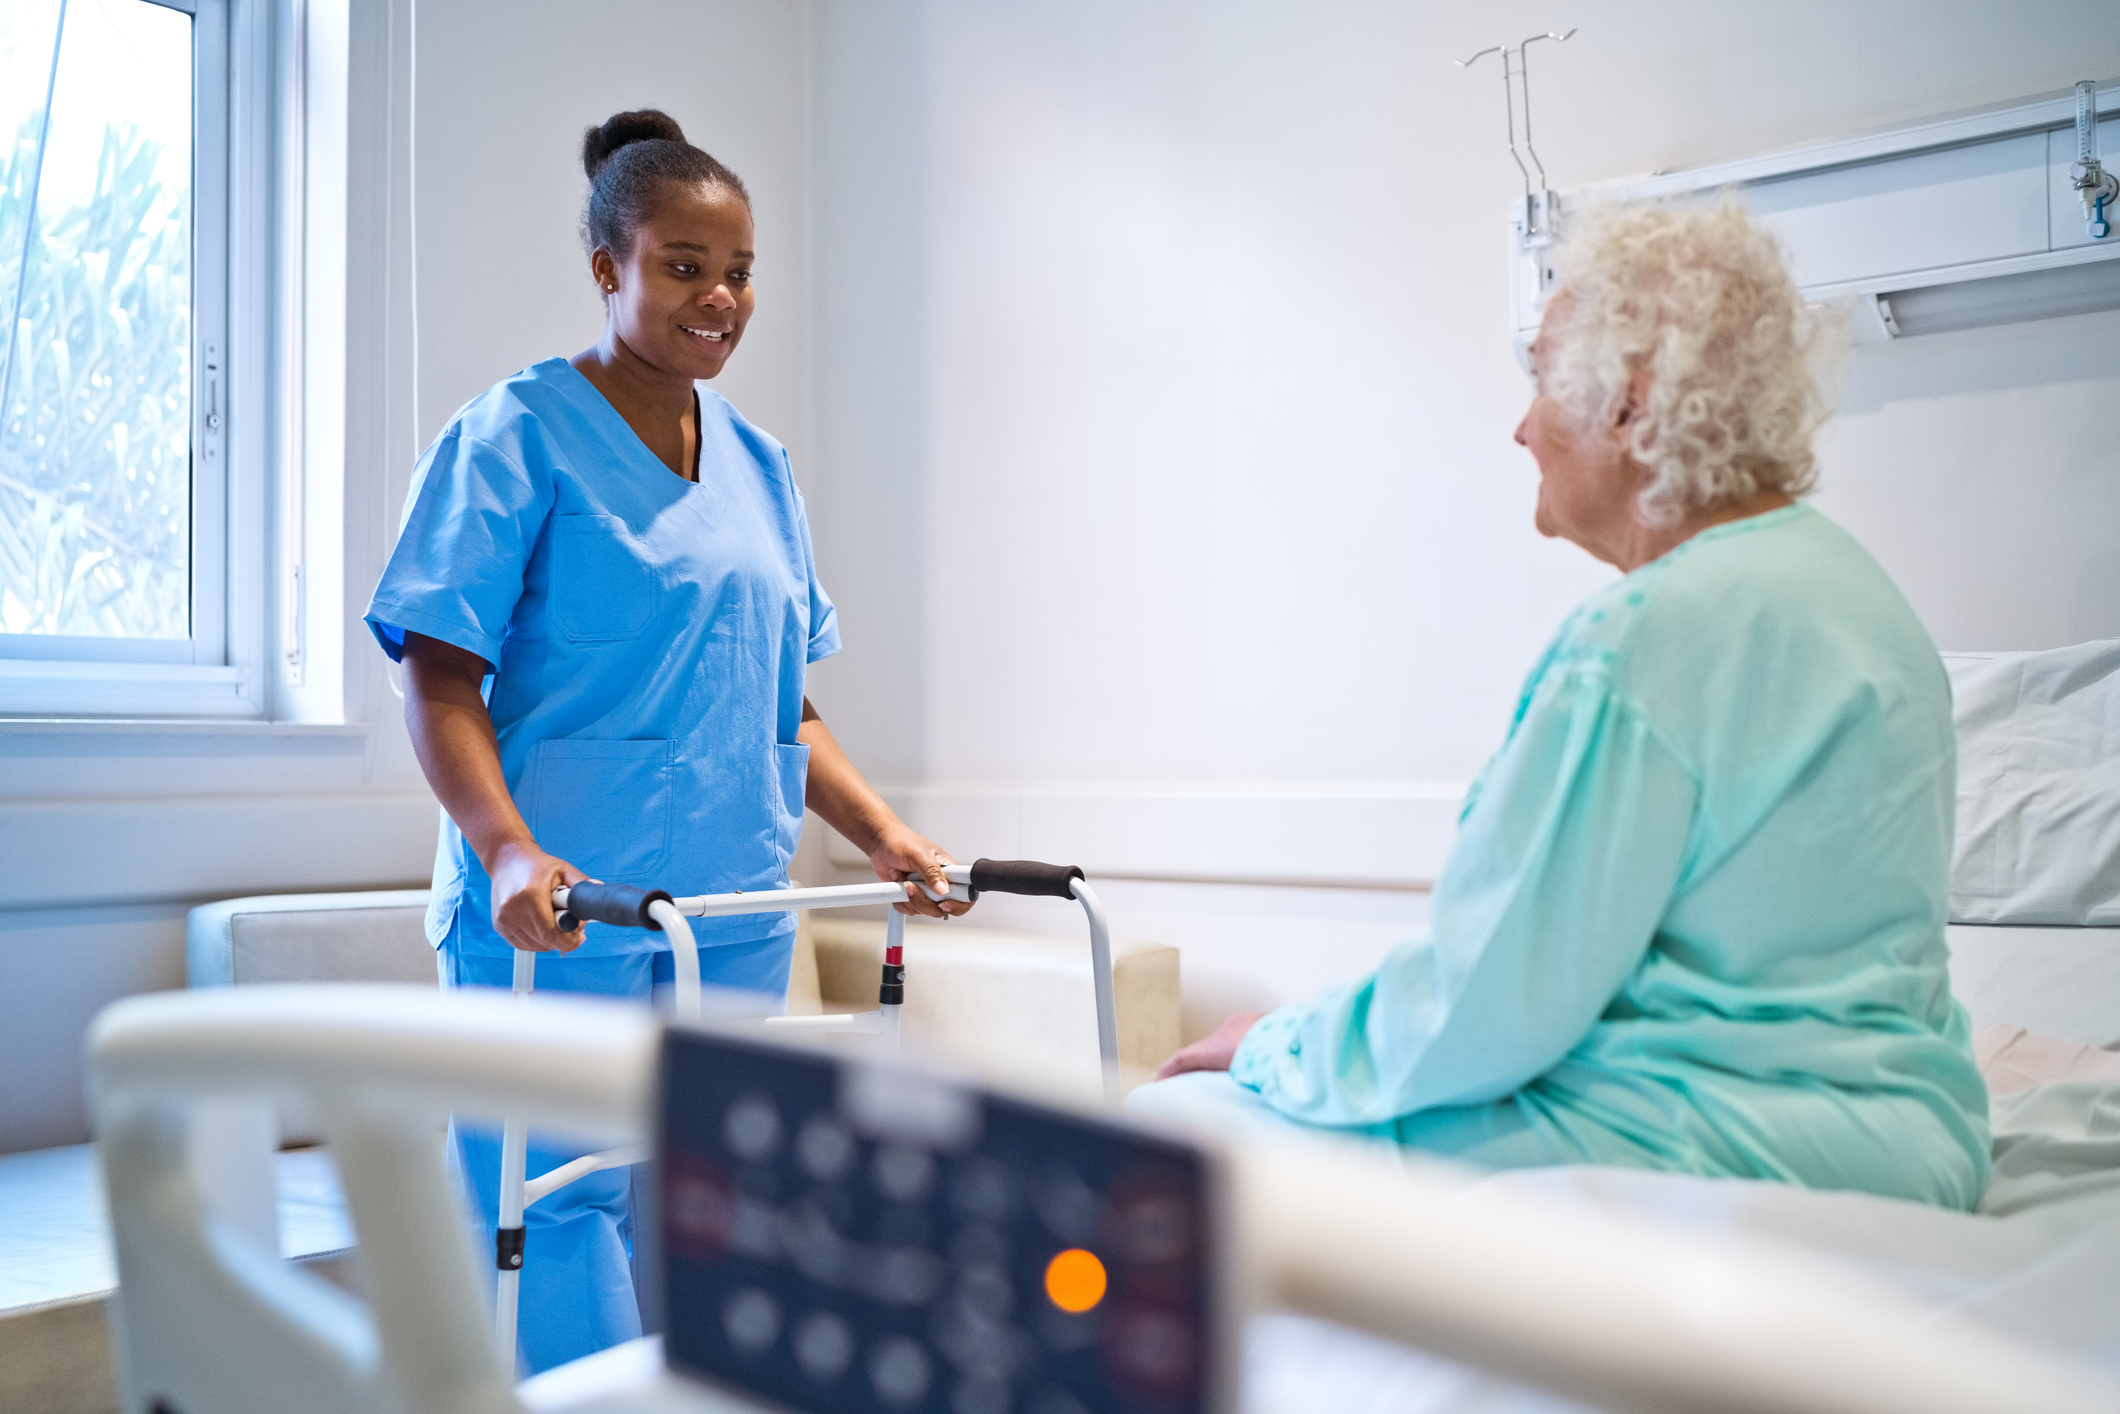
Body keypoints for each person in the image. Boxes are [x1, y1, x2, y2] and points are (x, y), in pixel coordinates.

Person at [1132, 201, 1991, 1211]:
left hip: (1729, 1133)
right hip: (1915, 1143)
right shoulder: (1860, 597)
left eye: (1537, 377)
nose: (1519, 425)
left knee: (1168, 1135)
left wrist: (1269, 1042)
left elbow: (1483, 1008)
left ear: (1628, 408)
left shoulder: (1642, 640)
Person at [365, 110, 968, 1373]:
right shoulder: (514, 433)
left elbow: (782, 703)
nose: (719, 298)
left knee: (720, 1195)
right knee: (552, 1201)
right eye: (683, 266)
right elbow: (438, 673)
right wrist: (509, 853)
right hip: (563, 906)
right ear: (608, 268)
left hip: (732, 905)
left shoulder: (763, 467)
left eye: (739, 270)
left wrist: (887, 832)